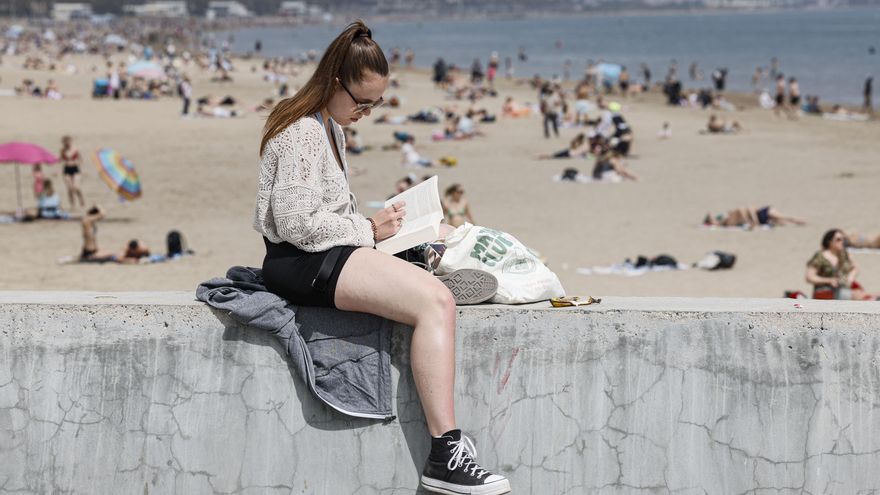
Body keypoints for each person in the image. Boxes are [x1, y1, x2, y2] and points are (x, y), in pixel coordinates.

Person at [252, 21, 509, 495]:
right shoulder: (302, 132)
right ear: (334, 83)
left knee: (438, 234)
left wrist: (381, 233)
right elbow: (293, 222)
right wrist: (369, 230)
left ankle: (411, 265)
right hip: (301, 261)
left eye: (376, 104)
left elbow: (324, 214)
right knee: (434, 303)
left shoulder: (330, 128)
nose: (366, 112)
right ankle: (444, 454)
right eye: (362, 101)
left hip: (326, 252)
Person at [806, 229, 877, 300]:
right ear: (829, 242)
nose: (842, 242)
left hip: (844, 287)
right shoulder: (821, 256)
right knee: (860, 296)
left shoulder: (844, 254)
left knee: (864, 294)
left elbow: (855, 268)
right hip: (825, 291)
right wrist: (828, 280)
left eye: (843, 240)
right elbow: (810, 277)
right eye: (838, 240)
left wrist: (850, 277)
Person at [703, 206, 804, 229]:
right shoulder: (729, 222)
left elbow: (749, 208)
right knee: (782, 222)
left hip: (762, 213)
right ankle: (797, 221)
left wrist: (754, 220)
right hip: (761, 217)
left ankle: (797, 220)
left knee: (786, 218)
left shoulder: (736, 213)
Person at [60, 135, 85, 209]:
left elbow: (81, 160)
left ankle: (81, 200)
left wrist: (77, 163)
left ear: (70, 142)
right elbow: (60, 160)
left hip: (75, 169)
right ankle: (72, 204)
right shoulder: (62, 150)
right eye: (65, 142)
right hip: (66, 170)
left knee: (76, 187)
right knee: (70, 188)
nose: (67, 144)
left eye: (68, 142)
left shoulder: (75, 150)